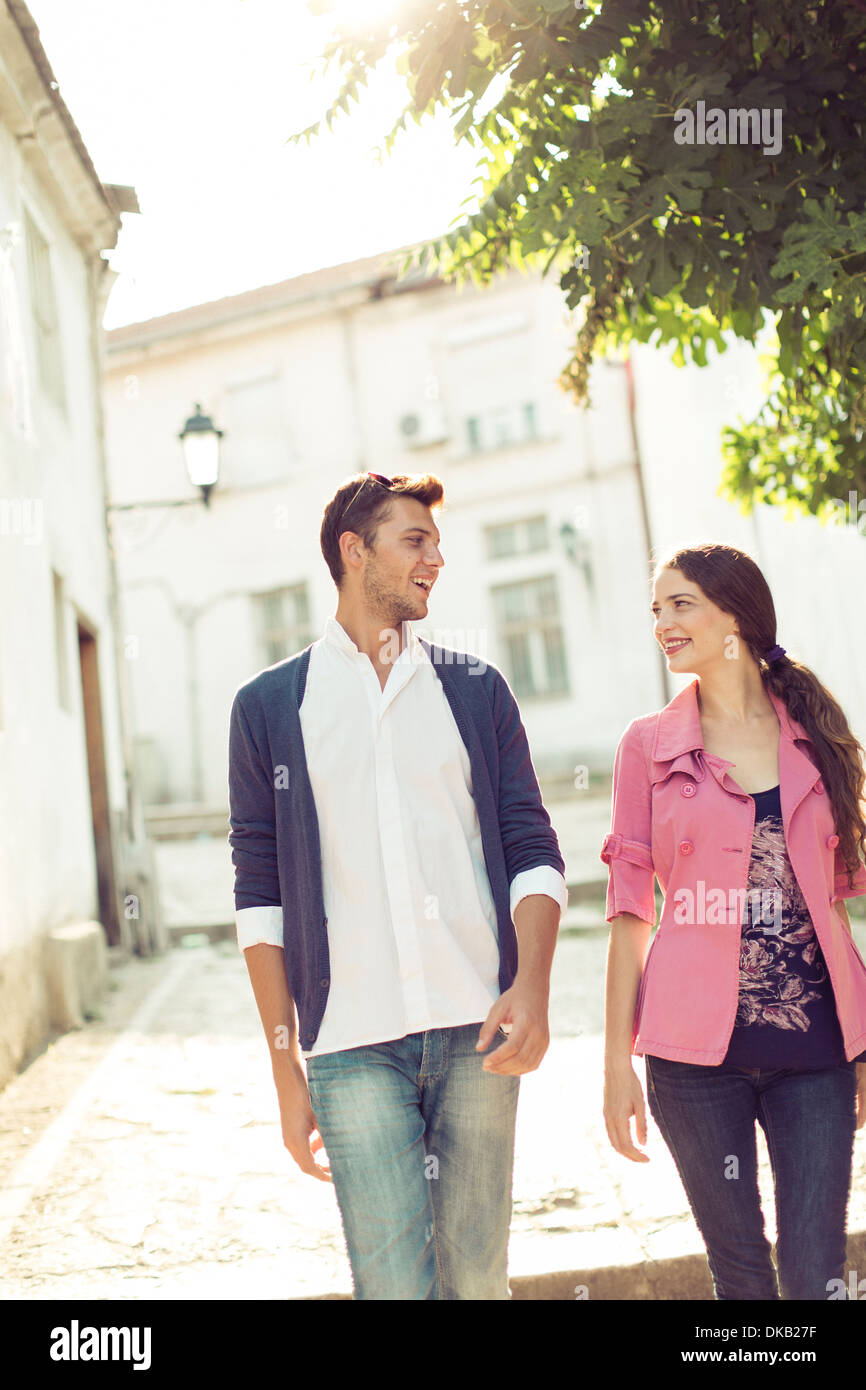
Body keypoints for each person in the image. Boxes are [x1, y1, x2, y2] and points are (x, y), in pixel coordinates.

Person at [227, 469, 567, 1300]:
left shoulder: (477, 690)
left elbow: (533, 847)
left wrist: (533, 985)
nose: (436, 559)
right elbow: (259, 898)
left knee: (479, 1282)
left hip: (477, 1031)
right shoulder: (269, 708)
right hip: (350, 1046)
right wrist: (285, 1073)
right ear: (354, 550)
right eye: (416, 540)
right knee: (391, 1290)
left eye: (438, 544)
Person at [601, 541, 866, 1301]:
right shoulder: (645, 747)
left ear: (735, 619)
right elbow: (627, 915)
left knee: (816, 1278)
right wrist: (618, 1062)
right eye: (657, 609)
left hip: (815, 1053)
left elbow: (839, 907)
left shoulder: (815, 736)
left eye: (680, 604)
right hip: (691, 1063)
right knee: (742, 1280)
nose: (662, 623)